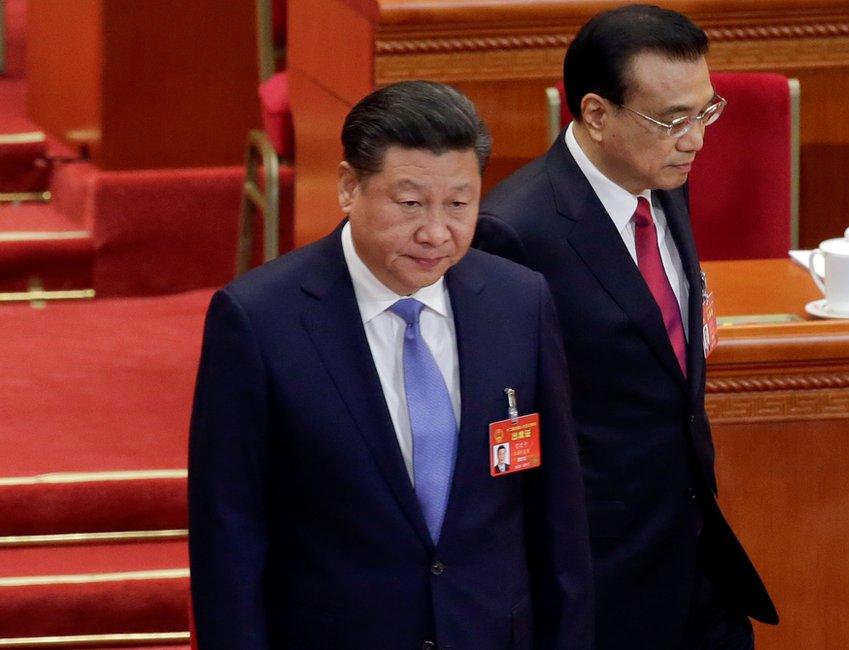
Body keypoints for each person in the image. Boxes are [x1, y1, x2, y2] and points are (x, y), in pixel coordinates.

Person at [189, 80, 594, 649]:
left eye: (459, 204)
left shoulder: (519, 301)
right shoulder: (259, 320)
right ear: (350, 187)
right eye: (409, 204)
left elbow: (558, 516)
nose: (436, 233)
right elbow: (228, 536)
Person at [474, 5, 777, 648]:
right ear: (596, 114)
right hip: (602, 580)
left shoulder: (661, 177)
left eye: (706, 112)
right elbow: (504, 427)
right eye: (672, 119)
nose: (695, 138)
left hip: (697, 555)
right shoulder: (515, 231)